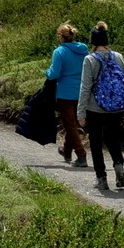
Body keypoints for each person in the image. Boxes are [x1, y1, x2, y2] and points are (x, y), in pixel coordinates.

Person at [77, 20, 124, 193]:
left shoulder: (90, 59)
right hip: (116, 107)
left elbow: (85, 87)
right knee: (113, 138)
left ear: (92, 41)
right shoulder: (118, 56)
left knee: (95, 142)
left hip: (95, 107)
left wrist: (81, 112)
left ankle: (101, 178)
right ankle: (118, 165)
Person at [46, 22, 90, 167]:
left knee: (70, 125)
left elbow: (54, 73)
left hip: (65, 92)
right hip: (82, 91)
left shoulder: (59, 52)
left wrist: (46, 72)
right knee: (74, 124)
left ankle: (81, 154)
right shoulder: (84, 50)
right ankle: (66, 150)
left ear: (61, 36)